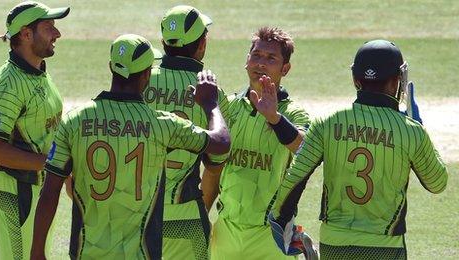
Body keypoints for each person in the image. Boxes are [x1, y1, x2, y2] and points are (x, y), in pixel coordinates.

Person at [30, 34, 231, 260]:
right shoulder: (161, 124)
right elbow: (221, 143)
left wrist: (37, 252)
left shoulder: (74, 121)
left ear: (111, 67)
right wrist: (210, 104)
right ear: (146, 74)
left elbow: (50, 191)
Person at [269, 39, 448, 259]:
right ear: (396, 82)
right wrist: (419, 129)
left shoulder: (327, 122)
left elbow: (295, 178)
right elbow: (437, 183)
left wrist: (279, 222)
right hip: (386, 247)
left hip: (334, 244)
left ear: (355, 80)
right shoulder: (410, 131)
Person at [202, 27, 311, 259]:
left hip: (271, 236)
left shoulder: (294, 113)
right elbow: (214, 170)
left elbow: (306, 150)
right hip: (226, 232)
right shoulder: (228, 108)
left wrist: (274, 118)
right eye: (256, 55)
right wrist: (203, 215)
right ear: (246, 61)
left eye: (271, 58)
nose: (261, 63)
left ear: (285, 69)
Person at [0, 1, 69, 259]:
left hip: (39, 190)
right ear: (26, 34)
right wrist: (52, 164)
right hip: (17, 193)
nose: (57, 34)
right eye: (49, 27)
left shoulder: (39, 72)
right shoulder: (7, 84)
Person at [143, 5, 226, 259]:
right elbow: (216, 162)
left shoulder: (140, 81)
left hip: (137, 215)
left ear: (164, 42)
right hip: (186, 215)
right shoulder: (211, 92)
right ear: (201, 44)